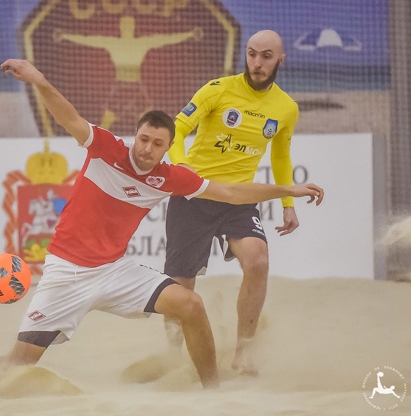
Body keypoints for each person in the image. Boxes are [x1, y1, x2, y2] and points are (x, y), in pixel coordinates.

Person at [0, 58, 323, 389]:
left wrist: (288, 190)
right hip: (67, 272)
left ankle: (212, 391)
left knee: (191, 305)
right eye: (143, 139)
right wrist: (39, 80)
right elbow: (68, 117)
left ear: (168, 148)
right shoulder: (106, 148)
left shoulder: (168, 177)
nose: (147, 149)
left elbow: (232, 192)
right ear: (135, 136)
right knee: (18, 365)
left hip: (114, 272)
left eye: (157, 144)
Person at [162, 30, 302, 376]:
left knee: (258, 261)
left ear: (280, 60)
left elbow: (281, 156)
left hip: (239, 199)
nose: (257, 63)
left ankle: (243, 354)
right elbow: (177, 129)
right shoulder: (217, 90)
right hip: (195, 194)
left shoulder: (286, 108)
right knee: (180, 285)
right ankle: (172, 357)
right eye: (252, 54)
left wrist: (288, 203)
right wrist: (182, 167)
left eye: (266, 56)